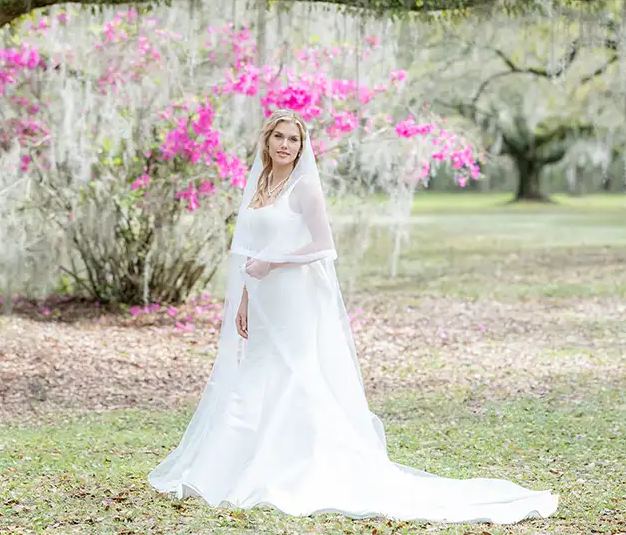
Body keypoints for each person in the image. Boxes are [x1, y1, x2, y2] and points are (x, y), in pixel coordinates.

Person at [148, 109, 559, 524]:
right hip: (261, 294)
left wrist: (273, 263)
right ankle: (234, 464)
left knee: (294, 373)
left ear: (301, 146)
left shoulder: (304, 186)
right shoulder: (259, 183)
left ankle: (299, 465)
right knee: (256, 371)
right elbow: (250, 249)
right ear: (267, 141)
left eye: (294, 139)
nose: (286, 145)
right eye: (280, 137)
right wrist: (244, 300)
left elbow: (323, 246)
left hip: (292, 294)